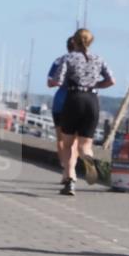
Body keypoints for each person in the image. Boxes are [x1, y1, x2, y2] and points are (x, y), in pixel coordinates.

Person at [52, 28, 115, 196]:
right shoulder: (99, 59)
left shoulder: (68, 58)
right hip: (92, 101)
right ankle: (88, 158)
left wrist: (57, 81)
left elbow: (57, 80)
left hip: (73, 99)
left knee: (68, 144)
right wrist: (95, 85)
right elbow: (111, 81)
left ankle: (69, 179)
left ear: (74, 41)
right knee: (85, 144)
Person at [46, 37, 75, 180]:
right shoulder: (86, 60)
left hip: (59, 101)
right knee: (73, 140)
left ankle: (64, 167)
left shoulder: (59, 61)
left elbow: (50, 83)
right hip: (76, 102)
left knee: (60, 138)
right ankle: (71, 170)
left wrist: (60, 81)